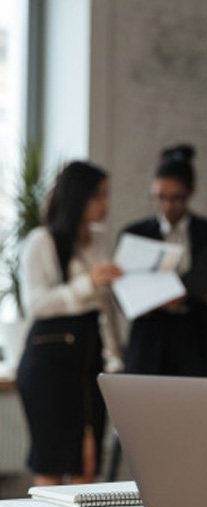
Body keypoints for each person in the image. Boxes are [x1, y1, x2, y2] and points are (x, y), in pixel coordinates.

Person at [16, 161, 123, 486]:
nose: (105, 204)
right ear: (79, 197)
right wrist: (87, 283)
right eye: (99, 196)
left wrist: (117, 357)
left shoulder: (100, 241)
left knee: (87, 464)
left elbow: (106, 308)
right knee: (51, 462)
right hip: (49, 363)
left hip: (90, 359)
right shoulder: (42, 241)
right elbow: (36, 304)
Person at [123, 144, 207, 377]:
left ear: (191, 192)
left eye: (176, 199)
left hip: (198, 342)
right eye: (159, 198)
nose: (167, 206)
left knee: (198, 411)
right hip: (149, 344)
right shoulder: (136, 234)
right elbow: (123, 296)